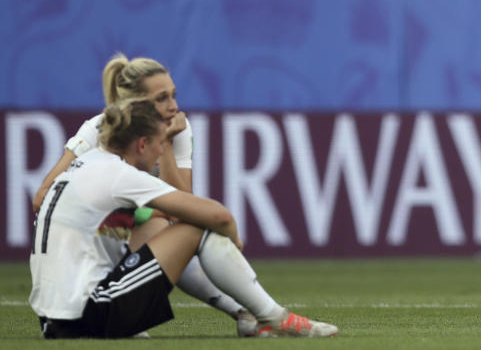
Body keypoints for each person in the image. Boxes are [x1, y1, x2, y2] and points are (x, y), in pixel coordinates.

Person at [30, 98, 338, 338]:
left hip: (54, 321)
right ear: (141, 143)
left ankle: (248, 316)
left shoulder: (84, 164)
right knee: (195, 229)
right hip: (91, 313)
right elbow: (215, 214)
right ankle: (274, 317)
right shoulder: (119, 173)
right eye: (160, 143)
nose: (162, 150)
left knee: (151, 223)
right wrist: (231, 234)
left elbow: (144, 218)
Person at [32, 54, 258, 337]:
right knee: (165, 224)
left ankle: (242, 311)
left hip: (120, 238)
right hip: (86, 253)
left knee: (167, 226)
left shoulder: (178, 128)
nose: (173, 106)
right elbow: (41, 198)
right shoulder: (98, 129)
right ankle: (102, 307)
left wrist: (165, 144)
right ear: (135, 103)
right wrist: (125, 211)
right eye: (161, 98)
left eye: (174, 95)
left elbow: (183, 206)